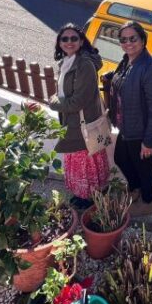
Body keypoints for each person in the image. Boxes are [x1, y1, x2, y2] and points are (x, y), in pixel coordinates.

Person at [104, 21, 152, 216]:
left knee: (144, 167)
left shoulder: (151, 67)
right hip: (127, 124)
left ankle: (149, 201)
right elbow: (127, 81)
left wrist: (148, 141)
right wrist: (111, 76)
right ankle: (136, 188)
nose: (128, 43)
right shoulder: (127, 61)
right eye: (123, 39)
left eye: (133, 39)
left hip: (143, 129)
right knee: (121, 158)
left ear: (143, 40)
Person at [48, 23, 109, 209]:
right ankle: (85, 194)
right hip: (74, 122)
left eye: (74, 38)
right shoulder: (67, 62)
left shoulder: (85, 65)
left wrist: (53, 102)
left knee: (85, 162)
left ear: (82, 42)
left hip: (83, 123)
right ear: (59, 43)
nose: (69, 42)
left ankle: (89, 197)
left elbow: (77, 102)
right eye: (64, 39)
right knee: (81, 161)